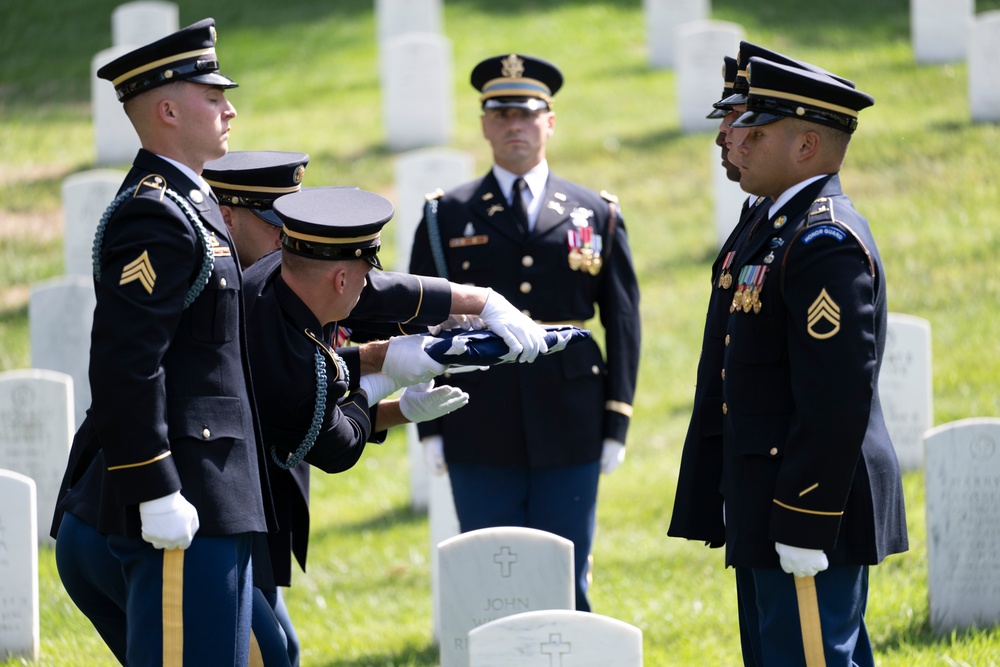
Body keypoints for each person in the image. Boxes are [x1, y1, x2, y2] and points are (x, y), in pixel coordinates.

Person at [668, 54, 908, 666]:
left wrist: (805, 519)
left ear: (806, 146)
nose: (732, 138)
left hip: (805, 504)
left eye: (754, 127)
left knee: (812, 658)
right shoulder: (769, 224)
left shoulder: (823, 240)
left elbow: (836, 397)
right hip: (766, 499)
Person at [50, 19, 274, 666]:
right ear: (169, 110)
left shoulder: (192, 204)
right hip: (184, 497)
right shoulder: (158, 213)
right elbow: (127, 360)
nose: (230, 108)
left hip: (215, 495)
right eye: (213, 97)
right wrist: (154, 485)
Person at [408, 53, 642, 612]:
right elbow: (418, 317)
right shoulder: (447, 215)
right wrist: (428, 426)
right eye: (502, 114)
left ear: (550, 122)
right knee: (491, 579)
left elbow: (623, 318)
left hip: (571, 415)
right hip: (475, 413)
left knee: (567, 571)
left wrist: (617, 420)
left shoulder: (595, 212)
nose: (516, 125)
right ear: (485, 123)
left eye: (528, 113)